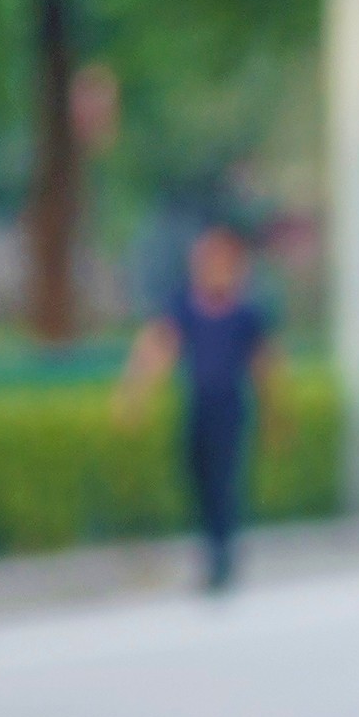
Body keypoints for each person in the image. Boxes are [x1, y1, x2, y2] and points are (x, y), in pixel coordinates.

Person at [119, 224, 278, 590]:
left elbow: (264, 365)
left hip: (231, 411)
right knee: (198, 479)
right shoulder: (185, 308)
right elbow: (159, 348)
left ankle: (222, 556)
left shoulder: (246, 314)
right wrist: (136, 394)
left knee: (224, 483)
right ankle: (211, 548)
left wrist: (273, 413)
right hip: (198, 410)